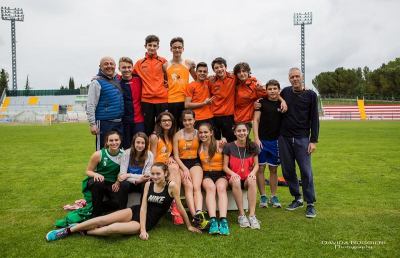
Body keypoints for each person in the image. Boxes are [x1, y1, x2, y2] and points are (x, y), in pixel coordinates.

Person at [46, 163, 201, 242]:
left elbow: (180, 207)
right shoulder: (148, 184)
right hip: (136, 211)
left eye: (158, 174)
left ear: (165, 173)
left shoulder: (171, 187)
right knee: (102, 219)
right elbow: (144, 207)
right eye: (152, 173)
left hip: (146, 222)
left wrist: (188, 225)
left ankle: (84, 231)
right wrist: (142, 228)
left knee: (110, 229)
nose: (154, 176)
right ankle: (66, 231)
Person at [279, 67, 319, 218]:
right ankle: (297, 198)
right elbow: (272, 95)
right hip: (284, 138)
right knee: (288, 170)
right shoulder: (285, 92)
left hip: (302, 138)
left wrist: (313, 140)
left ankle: (310, 203)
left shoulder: (311, 95)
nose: (295, 79)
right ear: (289, 79)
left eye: (297, 76)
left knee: (306, 171)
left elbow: (315, 118)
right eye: (292, 77)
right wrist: (281, 99)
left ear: (301, 77)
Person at [173, 110, 208, 229]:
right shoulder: (178, 134)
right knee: (188, 185)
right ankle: (195, 216)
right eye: (185, 120)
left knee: (196, 187)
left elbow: (209, 143)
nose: (187, 122)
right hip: (182, 163)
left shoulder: (199, 133)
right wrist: (184, 169)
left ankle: (199, 212)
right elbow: (176, 156)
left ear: (194, 120)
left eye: (190, 120)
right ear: (182, 121)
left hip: (194, 162)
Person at [223, 123, 260, 229]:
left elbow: (256, 165)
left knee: (253, 180)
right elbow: (225, 167)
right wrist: (233, 174)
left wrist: (252, 174)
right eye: (239, 131)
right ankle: (241, 215)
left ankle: (252, 215)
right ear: (235, 133)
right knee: (235, 180)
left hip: (247, 178)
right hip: (233, 178)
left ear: (248, 132)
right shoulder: (229, 146)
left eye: (244, 130)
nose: (241, 133)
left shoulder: (253, 146)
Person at [149, 111, 183, 224]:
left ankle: (174, 205)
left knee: (175, 167)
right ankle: (176, 206)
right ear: (159, 123)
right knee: (174, 168)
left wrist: (171, 157)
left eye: (169, 120)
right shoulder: (154, 137)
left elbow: (168, 153)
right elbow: (152, 157)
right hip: (157, 167)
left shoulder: (170, 135)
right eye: (164, 120)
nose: (167, 122)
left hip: (166, 166)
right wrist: (154, 172)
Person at [253, 79, 283, 208]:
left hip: (275, 141)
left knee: (273, 169)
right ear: (266, 90)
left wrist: (283, 101)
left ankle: (274, 196)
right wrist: (256, 138)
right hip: (262, 141)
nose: (272, 91)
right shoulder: (261, 103)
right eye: (270, 89)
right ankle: (263, 196)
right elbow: (255, 120)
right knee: (260, 169)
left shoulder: (282, 104)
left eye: (275, 89)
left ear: (278, 90)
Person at [85, 131, 127, 218]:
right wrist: (95, 175)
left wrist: (118, 182)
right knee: (98, 183)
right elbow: (88, 171)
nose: (114, 143)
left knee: (117, 203)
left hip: (113, 183)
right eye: (111, 140)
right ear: (107, 142)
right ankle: (95, 215)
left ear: (120, 141)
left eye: (116, 140)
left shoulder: (124, 154)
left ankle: (98, 207)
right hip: (99, 181)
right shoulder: (98, 154)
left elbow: (123, 172)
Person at [198, 122, 230, 235]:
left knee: (221, 187)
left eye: (206, 132)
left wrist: (224, 140)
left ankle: (223, 220)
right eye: (201, 132)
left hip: (220, 173)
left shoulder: (220, 144)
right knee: (210, 188)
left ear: (211, 133)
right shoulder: (199, 147)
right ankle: (212, 220)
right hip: (207, 174)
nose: (203, 135)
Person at [134, 35, 168, 136]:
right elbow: (127, 75)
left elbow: (171, 76)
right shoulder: (139, 63)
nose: (152, 48)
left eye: (154, 45)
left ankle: (164, 151)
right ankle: (148, 151)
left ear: (158, 47)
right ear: (145, 46)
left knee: (163, 128)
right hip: (146, 100)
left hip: (162, 99)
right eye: (150, 45)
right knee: (148, 127)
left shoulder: (164, 61)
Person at [87, 57, 124, 150]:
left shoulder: (118, 79)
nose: (109, 66)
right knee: (103, 151)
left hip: (119, 122)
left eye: (111, 64)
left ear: (115, 66)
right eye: (106, 64)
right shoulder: (96, 82)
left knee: (118, 151)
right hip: (104, 123)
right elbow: (91, 104)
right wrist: (92, 124)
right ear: (100, 67)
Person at [166, 37, 197, 129]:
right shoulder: (166, 65)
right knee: (173, 128)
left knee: (186, 126)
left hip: (185, 100)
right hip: (171, 100)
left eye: (179, 47)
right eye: (174, 47)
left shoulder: (188, 63)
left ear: (183, 49)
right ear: (171, 49)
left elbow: (197, 79)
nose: (177, 49)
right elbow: (165, 81)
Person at [118, 57, 145, 149]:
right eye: (124, 67)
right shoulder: (117, 81)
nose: (126, 70)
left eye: (129, 67)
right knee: (126, 148)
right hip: (124, 122)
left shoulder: (139, 79)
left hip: (139, 121)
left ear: (132, 68)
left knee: (139, 146)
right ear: (119, 69)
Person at [118, 132, 154, 199]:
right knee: (123, 184)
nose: (140, 145)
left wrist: (128, 175)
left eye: (143, 143)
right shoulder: (126, 153)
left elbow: (146, 176)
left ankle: (142, 208)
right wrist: (135, 181)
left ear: (146, 144)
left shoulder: (150, 155)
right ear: (133, 143)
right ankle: (122, 208)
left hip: (141, 182)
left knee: (147, 184)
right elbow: (122, 175)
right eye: (138, 142)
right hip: (129, 182)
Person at [208, 57, 236, 142]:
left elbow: (247, 77)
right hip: (214, 116)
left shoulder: (233, 78)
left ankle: (230, 155)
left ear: (226, 67)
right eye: (216, 68)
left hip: (228, 116)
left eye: (221, 66)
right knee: (215, 141)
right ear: (213, 70)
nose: (219, 69)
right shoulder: (211, 81)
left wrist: (256, 81)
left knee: (230, 140)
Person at [184, 62, 214, 128]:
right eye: (200, 71)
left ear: (207, 73)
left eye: (204, 71)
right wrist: (204, 103)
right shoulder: (191, 86)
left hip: (210, 117)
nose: (202, 73)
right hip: (197, 118)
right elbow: (187, 105)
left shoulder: (208, 83)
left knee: (211, 137)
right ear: (196, 72)